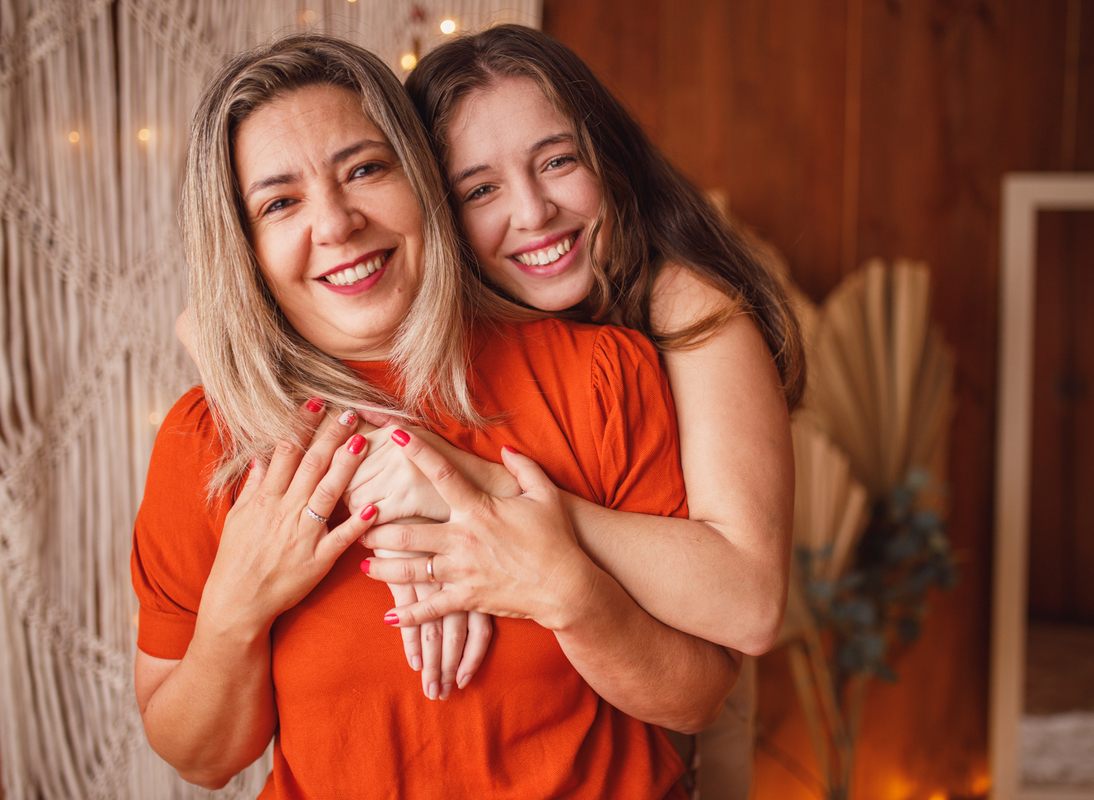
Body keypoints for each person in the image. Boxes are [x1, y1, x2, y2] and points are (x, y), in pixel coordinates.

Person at [131, 34, 737, 798]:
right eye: (280, 203)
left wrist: (564, 589)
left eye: (364, 169)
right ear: (244, 247)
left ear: (420, 180)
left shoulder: (601, 375)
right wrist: (234, 610)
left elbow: (697, 694)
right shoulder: (207, 441)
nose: (339, 222)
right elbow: (201, 758)